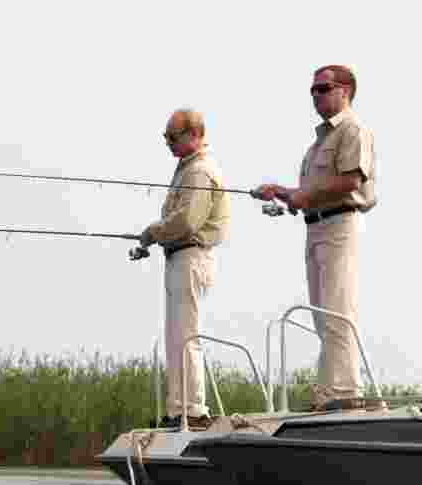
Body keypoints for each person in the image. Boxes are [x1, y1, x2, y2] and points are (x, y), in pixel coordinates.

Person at [252, 65, 376, 410]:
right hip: (315, 227)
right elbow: (309, 193)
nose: (316, 95)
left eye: (323, 88)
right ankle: (329, 393)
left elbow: (351, 181)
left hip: (340, 226)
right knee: (322, 316)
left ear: (345, 91)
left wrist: (303, 196)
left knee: (338, 311)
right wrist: (283, 193)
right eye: (313, 90)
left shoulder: (353, 130)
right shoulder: (318, 142)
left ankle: (347, 394)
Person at [139, 109, 230, 429]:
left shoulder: (199, 172)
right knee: (177, 334)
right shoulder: (185, 170)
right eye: (165, 136)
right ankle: (179, 410)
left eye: (172, 136)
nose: (167, 142)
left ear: (194, 134)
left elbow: (187, 221)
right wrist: (155, 238)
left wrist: (153, 232)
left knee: (187, 334)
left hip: (192, 257)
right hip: (179, 257)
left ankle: (193, 409)